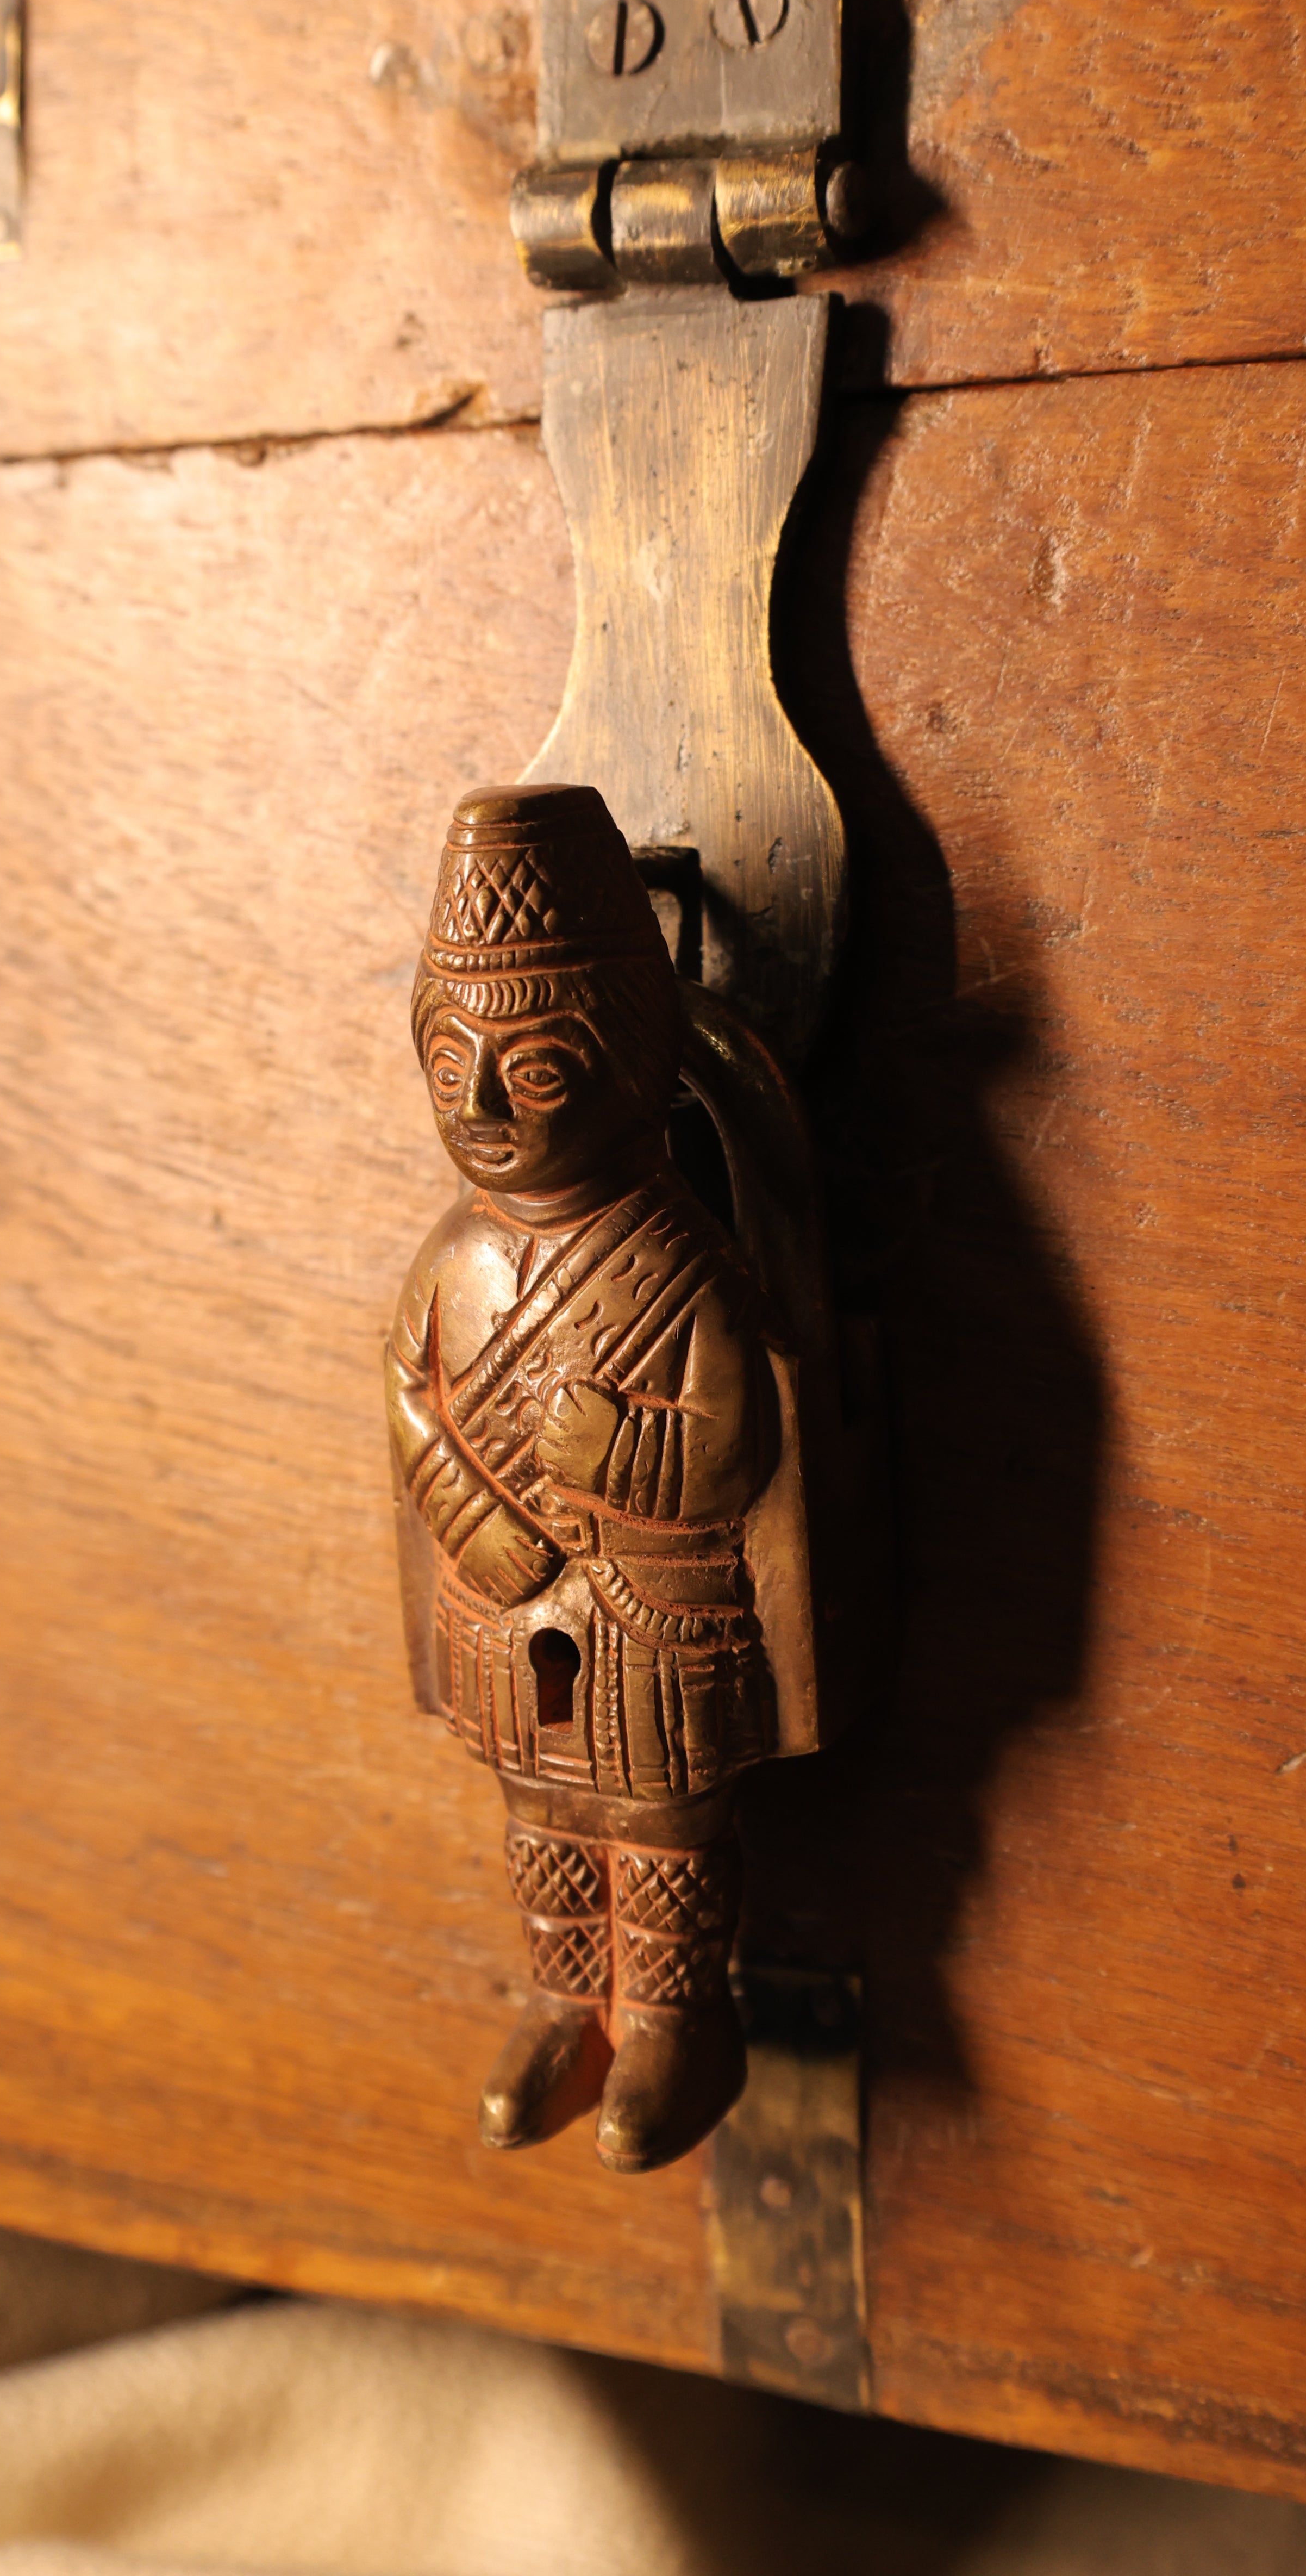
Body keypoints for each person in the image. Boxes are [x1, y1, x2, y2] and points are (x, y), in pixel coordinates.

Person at [385, 784, 784, 2173]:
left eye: (536, 1071)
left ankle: (679, 2015)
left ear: (630, 1062)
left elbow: (736, 1443)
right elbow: (409, 1399)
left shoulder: (675, 1264)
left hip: (650, 1607)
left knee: (661, 1813)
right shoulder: (454, 1258)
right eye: (453, 1070)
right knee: (542, 1807)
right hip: (511, 1604)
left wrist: (619, 1453)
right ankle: (569, 2000)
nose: (486, 1107)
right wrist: (467, 1516)